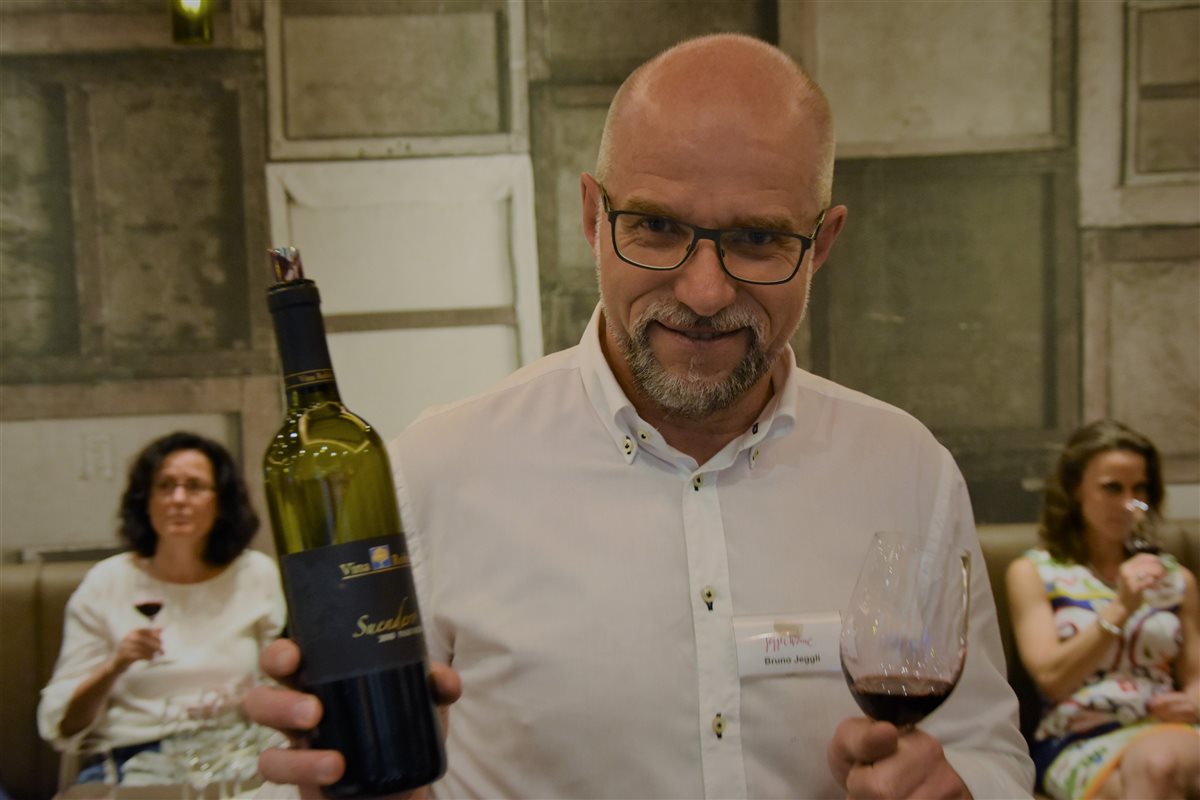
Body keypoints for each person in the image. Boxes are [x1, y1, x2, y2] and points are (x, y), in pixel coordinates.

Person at [247, 33, 1034, 798]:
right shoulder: (436, 471)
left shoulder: (906, 469)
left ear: (822, 243)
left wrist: (959, 788)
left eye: (757, 238)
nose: (704, 292)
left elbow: (987, 746)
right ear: (594, 217)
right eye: (656, 227)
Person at [38, 431, 287, 782]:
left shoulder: (255, 573)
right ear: (146, 500)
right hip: (134, 758)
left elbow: (279, 684)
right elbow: (62, 724)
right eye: (165, 486)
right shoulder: (107, 581)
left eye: (194, 486)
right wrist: (115, 665)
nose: (178, 499)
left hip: (236, 754)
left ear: (221, 502)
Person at [1006, 420, 1200, 799]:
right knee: (1158, 768)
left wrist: (1191, 702)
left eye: (1139, 489)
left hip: (1169, 731)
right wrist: (1121, 607)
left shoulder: (1176, 579)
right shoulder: (1035, 573)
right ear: (1076, 490)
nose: (1129, 503)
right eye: (1113, 487)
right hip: (1078, 738)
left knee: (1159, 764)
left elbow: (1195, 675)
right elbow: (1052, 678)